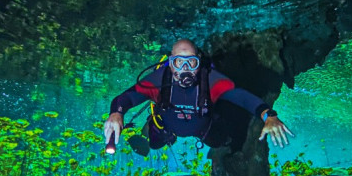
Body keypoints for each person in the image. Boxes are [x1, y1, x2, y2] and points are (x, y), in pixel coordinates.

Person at [103, 39, 293, 155]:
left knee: (222, 142)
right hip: (166, 127)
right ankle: (152, 124)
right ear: (170, 63)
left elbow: (243, 98)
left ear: (198, 63)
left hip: (204, 129)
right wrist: (116, 114)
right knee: (154, 144)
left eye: (191, 62)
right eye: (179, 62)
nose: (185, 69)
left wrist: (269, 116)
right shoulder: (159, 79)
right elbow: (126, 98)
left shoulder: (210, 80)